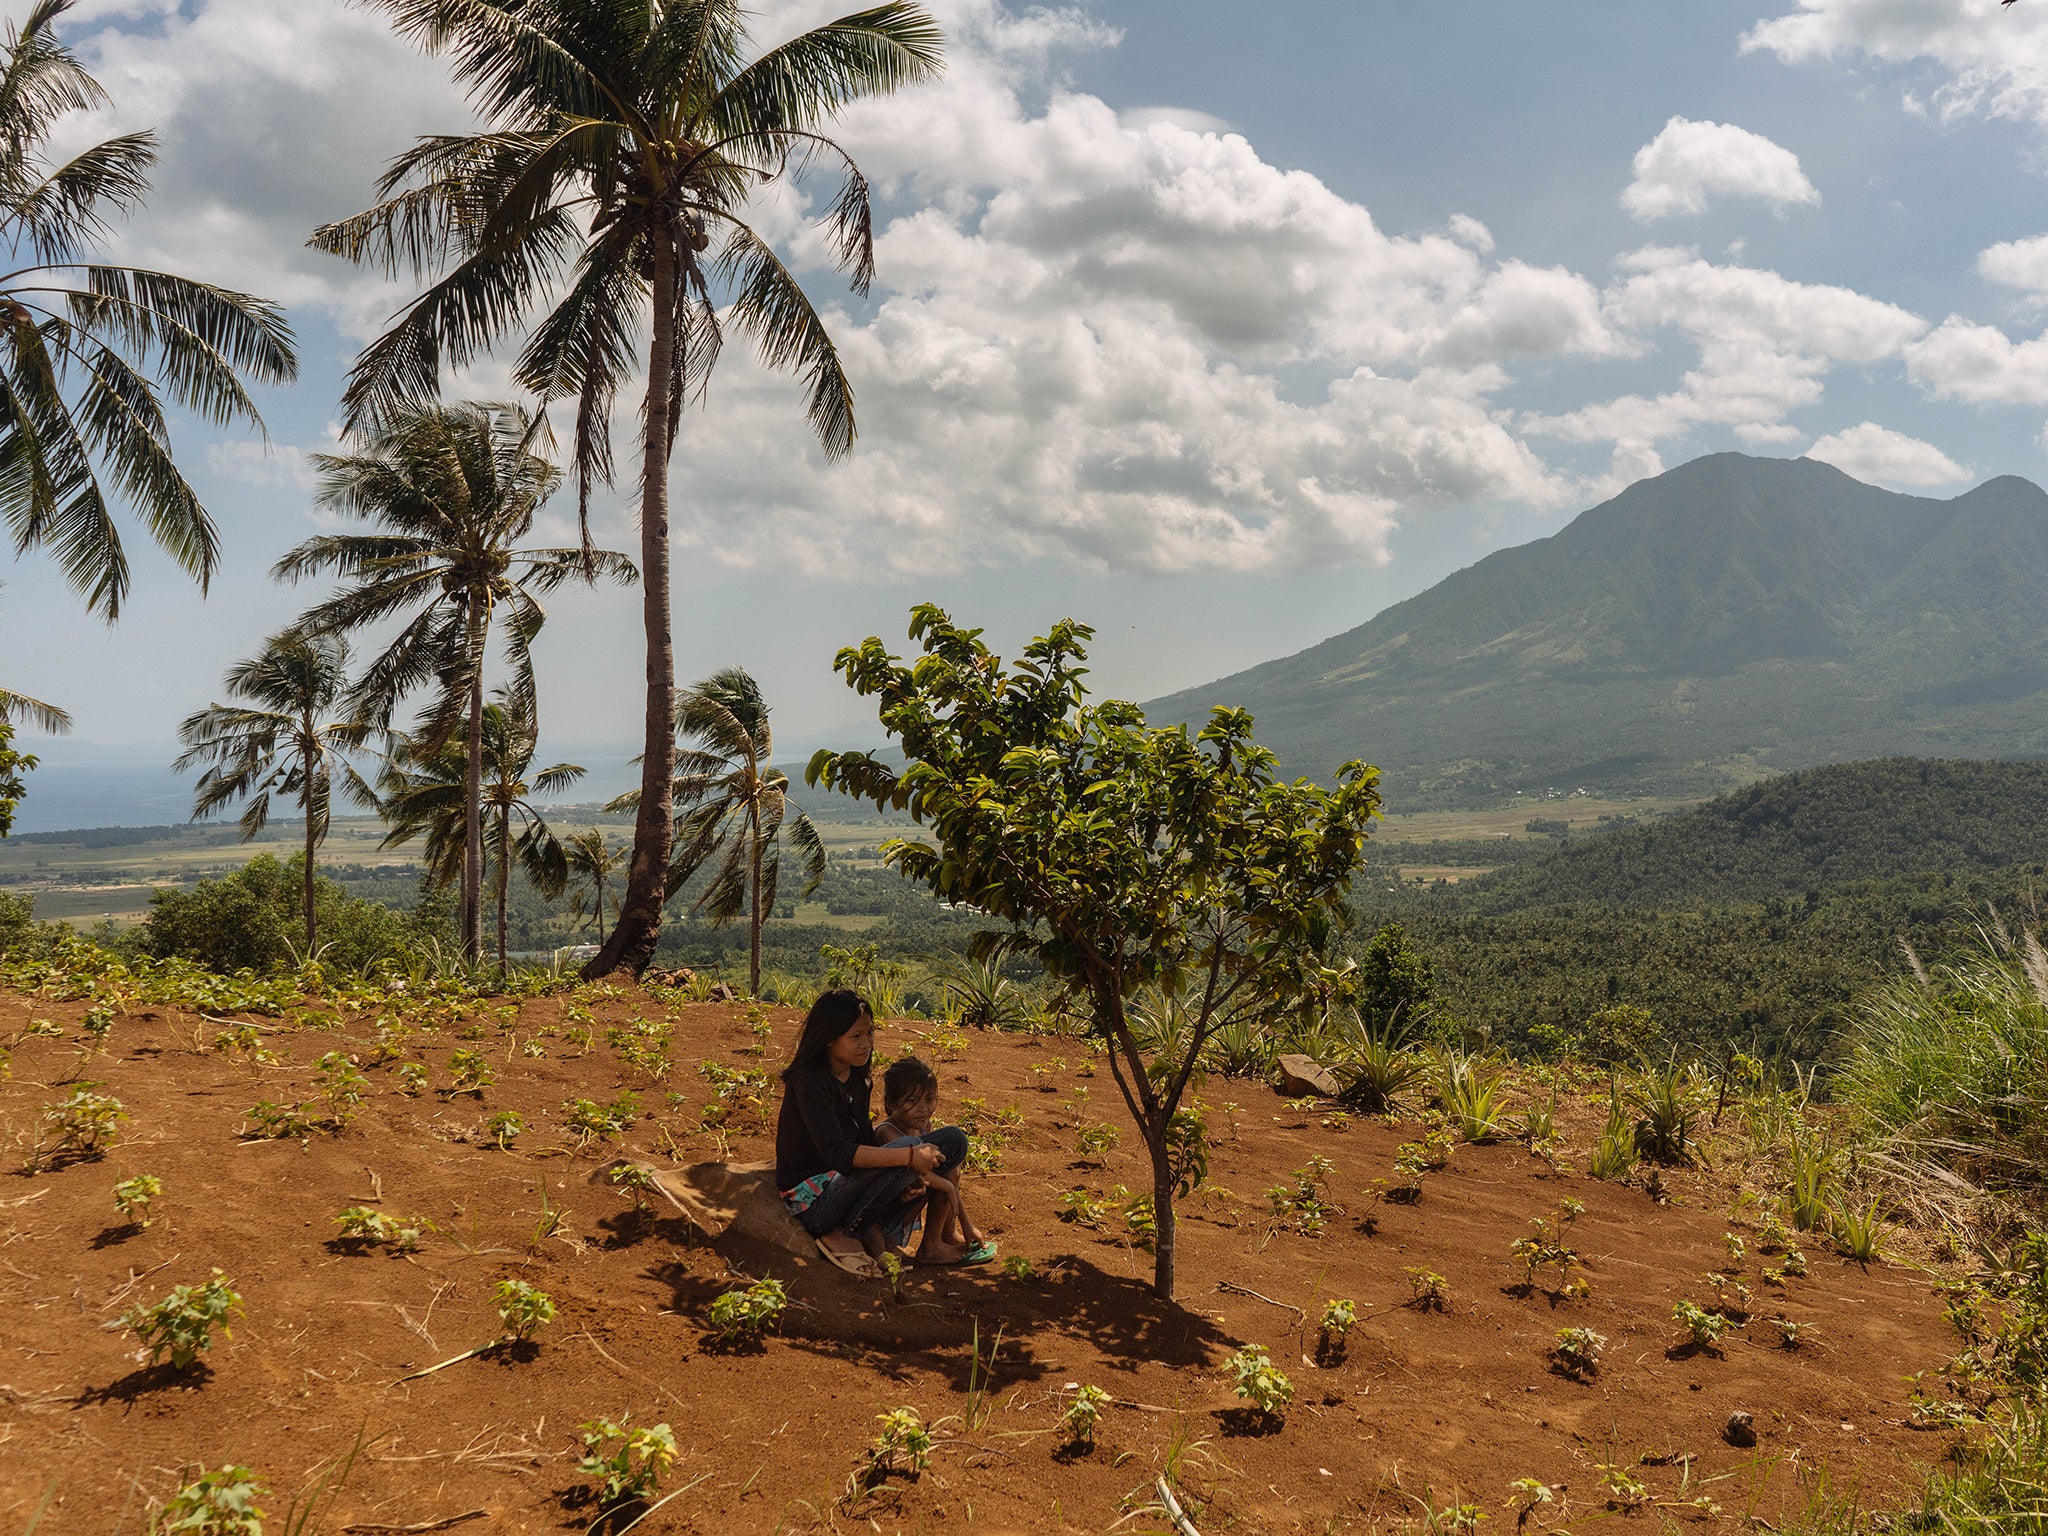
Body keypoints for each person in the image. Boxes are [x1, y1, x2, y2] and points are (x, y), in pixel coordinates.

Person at [774, 989, 972, 1276]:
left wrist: (904, 1180)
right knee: (907, 1147)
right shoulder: (810, 1080)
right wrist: (907, 1156)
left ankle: (872, 1231)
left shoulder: (857, 1077)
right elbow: (839, 1153)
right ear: (829, 1039)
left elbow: (865, 1141)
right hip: (816, 1200)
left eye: (869, 1034)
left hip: (852, 1188)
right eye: (856, 1037)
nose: (866, 1044)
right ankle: (849, 1232)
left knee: (954, 1140)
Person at [875, 1055, 996, 1265]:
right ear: (891, 1103)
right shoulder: (887, 1133)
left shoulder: (924, 1127)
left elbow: (942, 1175)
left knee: (949, 1167)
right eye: (912, 1101)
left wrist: (966, 1223)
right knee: (944, 1175)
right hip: (886, 1214)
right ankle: (931, 1247)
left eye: (929, 1099)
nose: (923, 1108)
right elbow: (921, 1173)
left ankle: (947, 1234)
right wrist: (948, 1187)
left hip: (912, 1201)